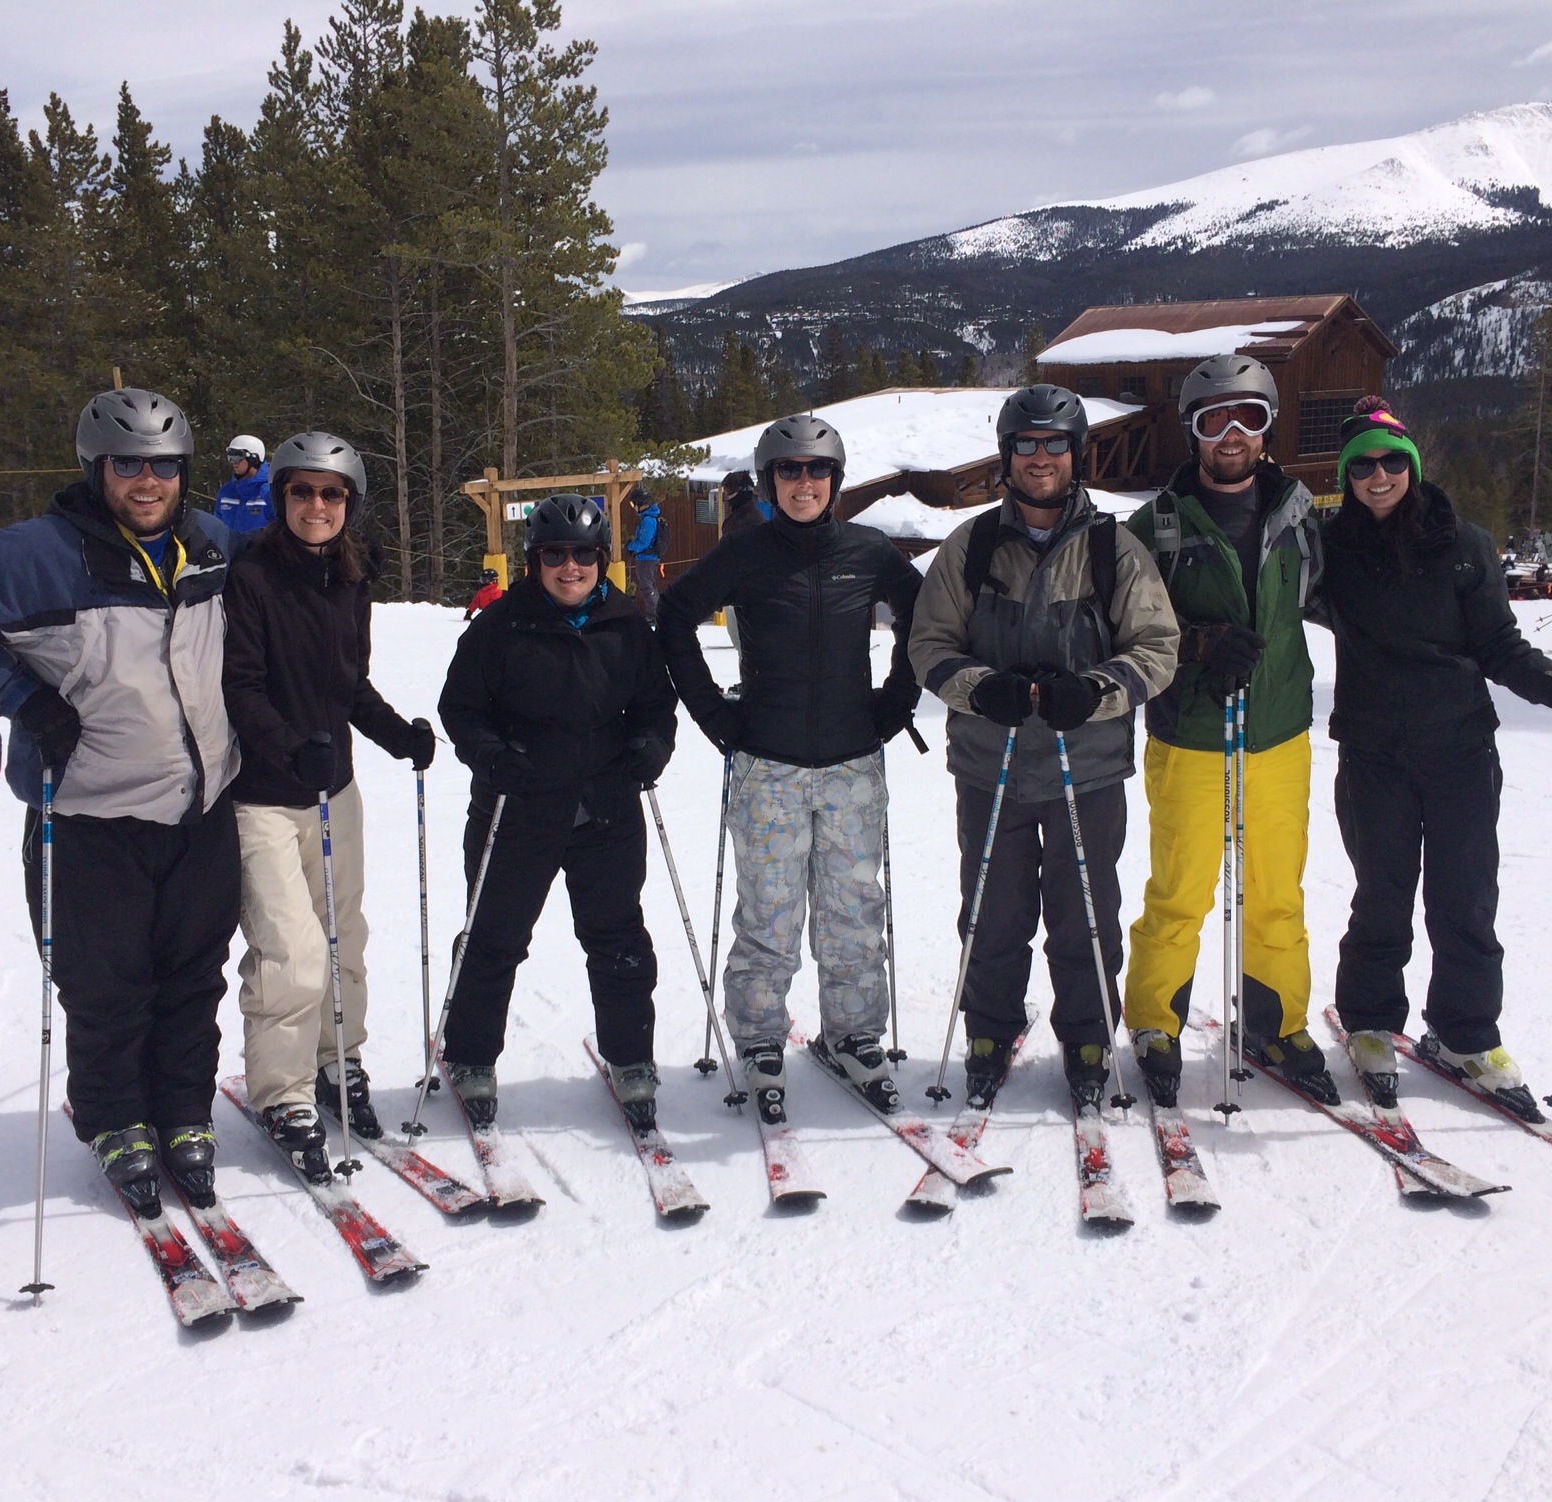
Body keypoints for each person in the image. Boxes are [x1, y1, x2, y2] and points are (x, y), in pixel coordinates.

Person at [0, 387, 243, 1218]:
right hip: (92, 810)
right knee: (105, 982)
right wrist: (22, 697)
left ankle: (183, 1111)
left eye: (165, 466)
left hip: (202, 806)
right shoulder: (35, 556)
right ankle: (115, 1118)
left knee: (194, 975)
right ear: (95, 469)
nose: (148, 482)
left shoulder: (213, 545)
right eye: (128, 465)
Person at [1312, 397, 1552, 1119]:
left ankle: (1465, 1033)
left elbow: (1499, 646)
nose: (1378, 476)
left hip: (1459, 748)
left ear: (1413, 466)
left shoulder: (1464, 544)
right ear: (1346, 478)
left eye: (1392, 461)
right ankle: (1370, 1022)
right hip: (1372, 752)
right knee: (1382, 893)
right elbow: (1270, 591)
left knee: (1466, 895)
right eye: (1361, 467)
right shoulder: (1329, 551)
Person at [909, 384, 1181, 1112]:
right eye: (1025, 444)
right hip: (991, 765)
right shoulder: (971, 547)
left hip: (1083, 768)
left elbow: (1157, 647)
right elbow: (928, 643)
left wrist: (1096, 690)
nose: (1040, 458)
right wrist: (979, 688)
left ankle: (1088, 1036)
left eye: (1054, 444)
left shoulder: (1111, 548)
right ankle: (990, 1031)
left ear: (1076, 454)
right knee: (992, 911)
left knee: (1083, 911)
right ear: (1006, 457)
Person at [656, 413, 924, 1121]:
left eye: (817, 470)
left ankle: (854, 1033)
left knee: (853, 911)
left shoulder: (869, 551)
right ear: (770, 480)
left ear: (836, 479)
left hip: (851, 764)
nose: (804, 483)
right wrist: (714, 715)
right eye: (789, 471)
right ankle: (759, 1036)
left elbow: (925, 615)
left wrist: (897, 700)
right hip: (767, 765)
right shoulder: (745, 553)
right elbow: (675, 616)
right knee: (769, 914)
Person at [221, 432, 437, 1180]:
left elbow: (350, 685)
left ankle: (335, 1059)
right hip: (263, 796)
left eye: (332, 493)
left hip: (333, 790)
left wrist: (397, 734)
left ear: (351, 503)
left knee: (344, 938)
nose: (317, 505)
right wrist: (289, 749)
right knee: (291, 952)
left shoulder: (350, 578)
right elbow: (239, 688)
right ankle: (284, 1093)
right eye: (303, 491)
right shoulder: (250, 577)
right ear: (281, 496)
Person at [1121, 355, 1337, 1106]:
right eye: (1217, 420)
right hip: (1191, 734)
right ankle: (1155, 1021)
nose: (1233, 434)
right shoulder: (1155, 527)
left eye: (1250, 416)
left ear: (1269, 428)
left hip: (1277, 732)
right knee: (1180, 890)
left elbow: (1345, 597)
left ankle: (1276, 1023)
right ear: (1194, 433)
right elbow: (1124, 626)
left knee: (1276, 890)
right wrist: (1197, 643)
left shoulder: (1302, 519)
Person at [436, 495, 677, 1129]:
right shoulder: (500, 626)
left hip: (604, 807)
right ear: (534, 561)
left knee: (618, 937)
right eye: (554, 555)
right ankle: (470, 1056)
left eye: (583, 555)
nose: (570, 567)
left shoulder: (626, 627)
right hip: (518, 806)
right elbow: (460, 708)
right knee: (493, 936)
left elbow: (655, 706)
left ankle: (630, 1057)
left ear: (602, 560)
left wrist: (651, 746)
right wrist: (493, 758)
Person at [624, 486, 669, 622]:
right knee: (649, 587)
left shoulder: (648, 520)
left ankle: (654, 615)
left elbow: (643, 542)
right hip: (648, 558)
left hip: (646, 559)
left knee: (647, 588)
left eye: (634, 504)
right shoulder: (649, 518)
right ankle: (655, 614)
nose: (633, 508)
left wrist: (630, 546)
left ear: (640, 504)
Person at [214, 434, 274, 535]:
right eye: (230, 457)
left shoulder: (269, 492)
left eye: (237, 457)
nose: (233, 462)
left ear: (254, 458)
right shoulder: (226, 491)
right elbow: (217, 526)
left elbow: (279, 529)